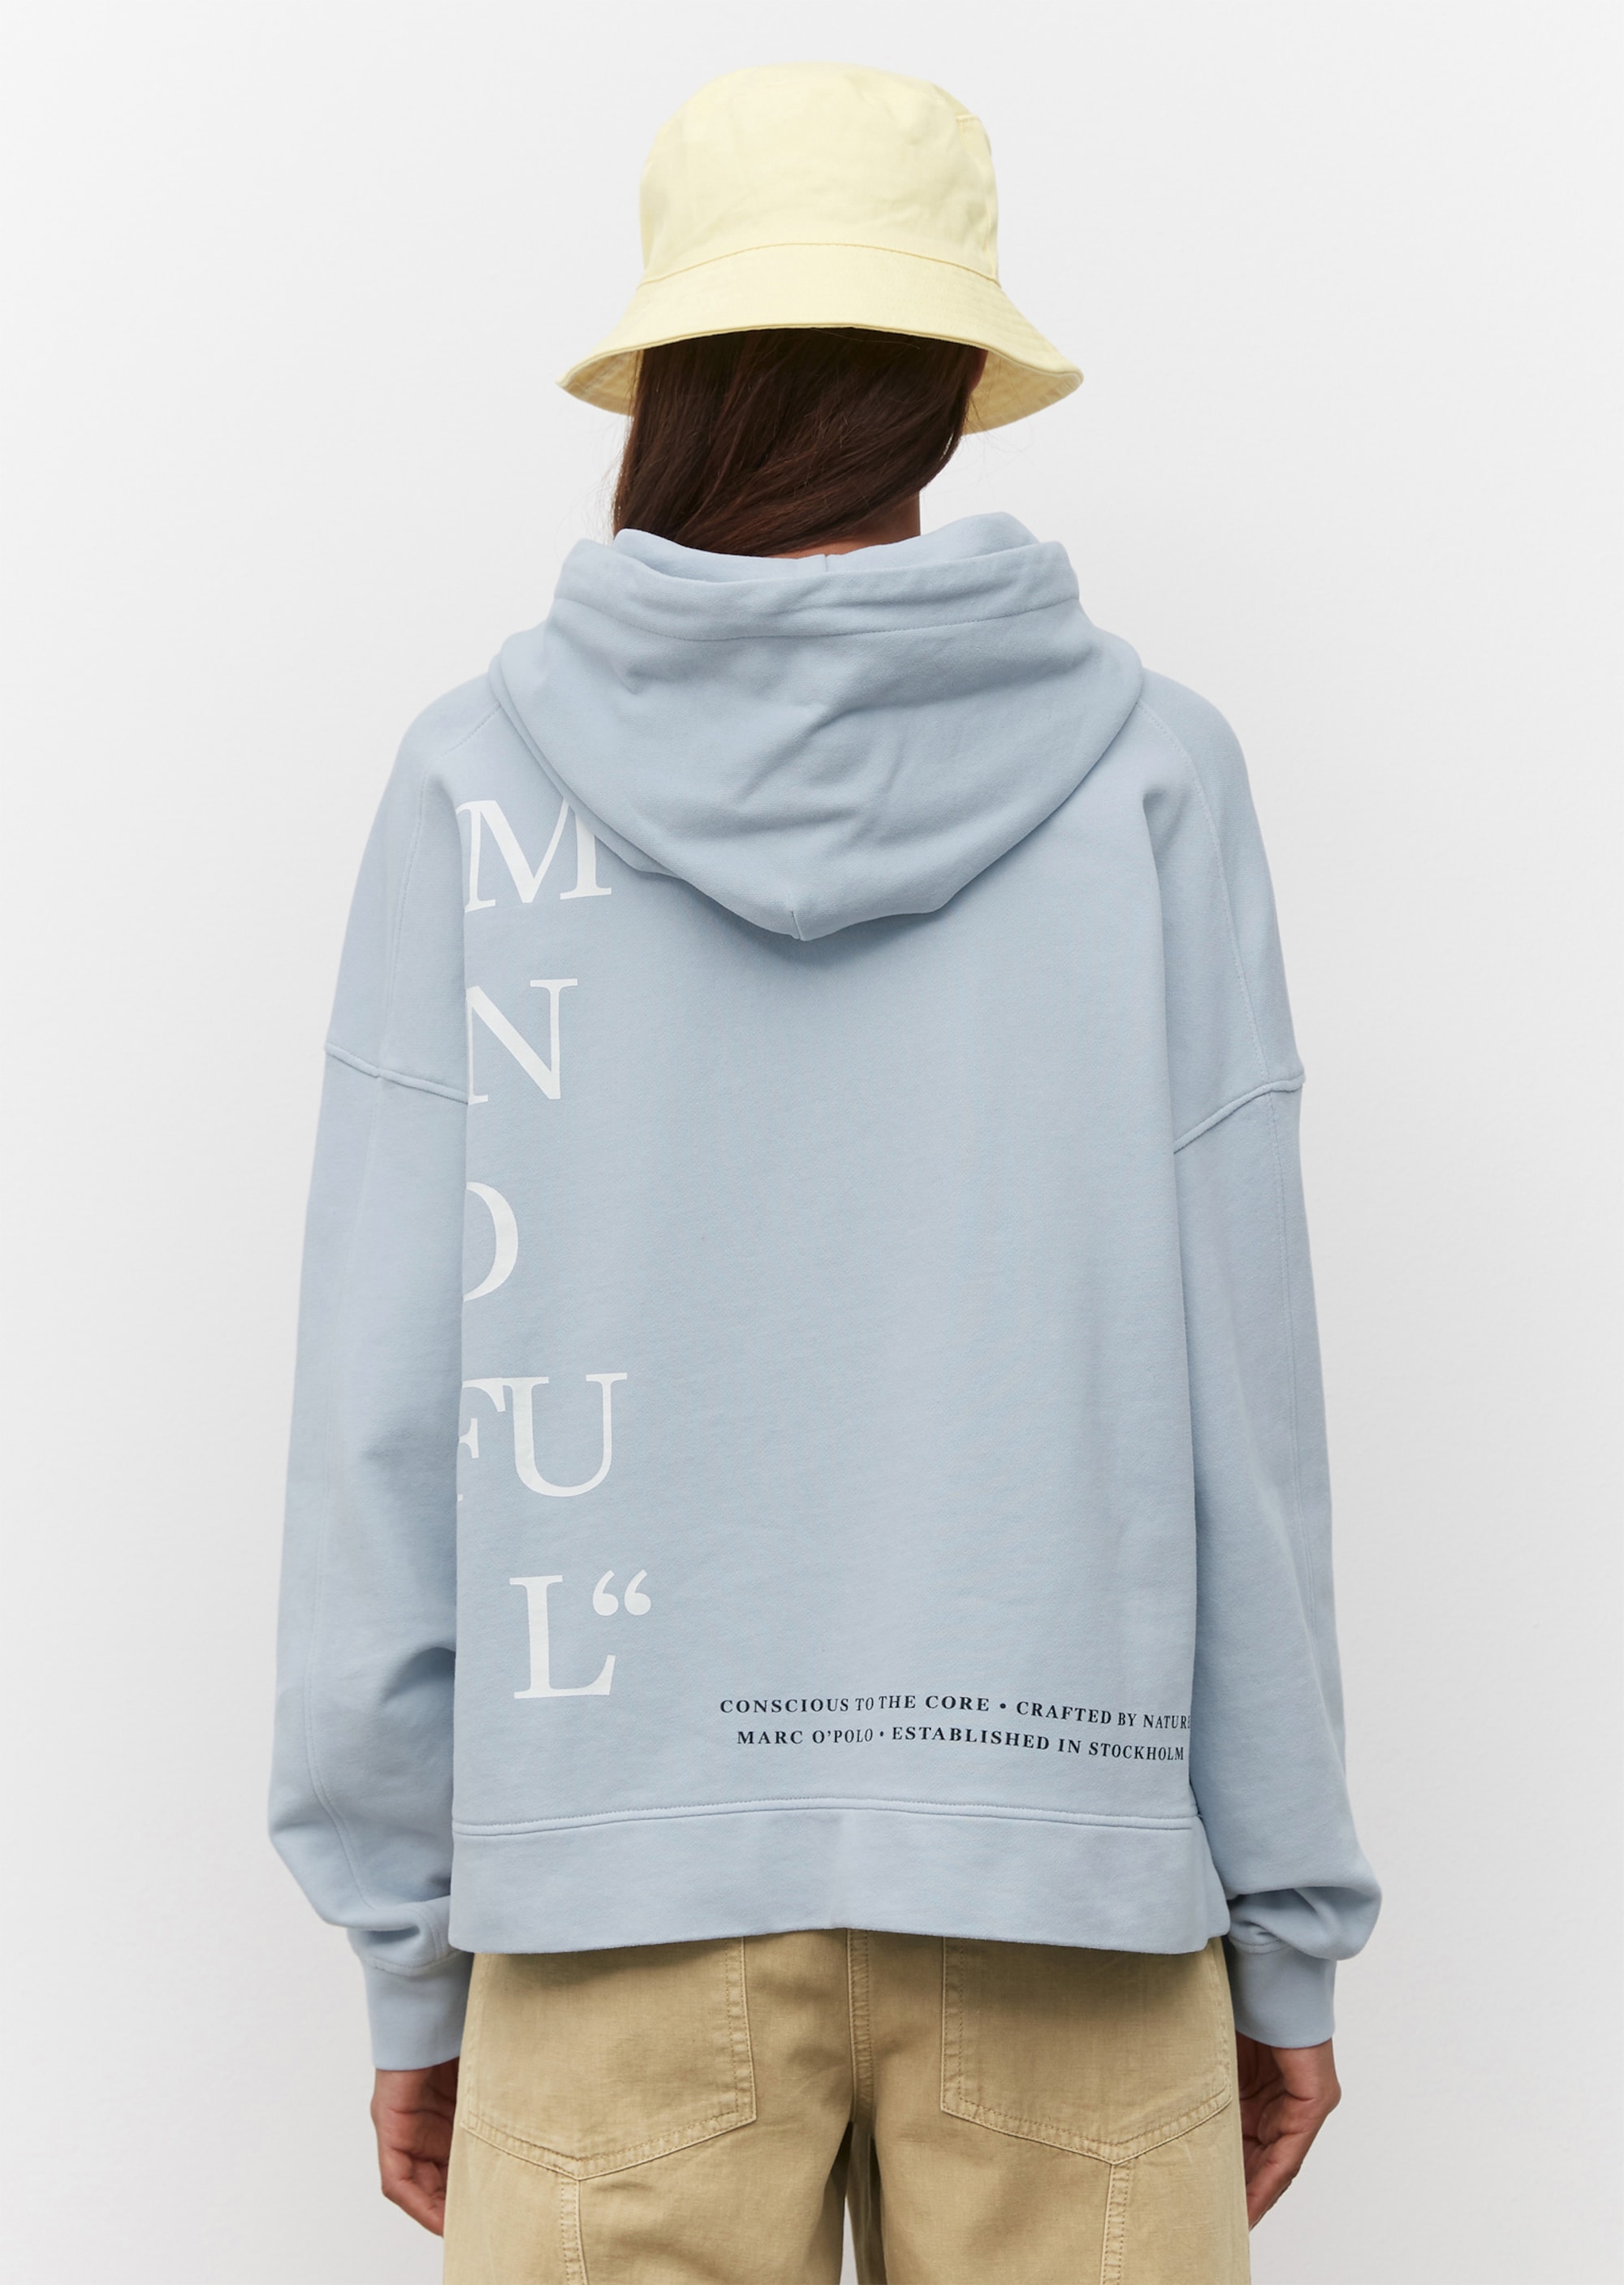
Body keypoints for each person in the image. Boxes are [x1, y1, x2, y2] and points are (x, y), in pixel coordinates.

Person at [270, 60, 1379, 2284]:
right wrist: (1282, 1925)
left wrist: (413, 1949)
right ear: (951, 379)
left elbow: (387, 1409)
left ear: (669, 370)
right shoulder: (1154, 778)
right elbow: (1239, 1400)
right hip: (1067, 1892)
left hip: (610, 1903)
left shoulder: (477, 781)